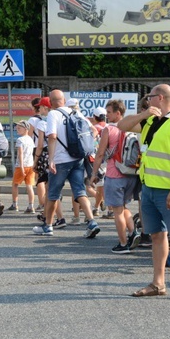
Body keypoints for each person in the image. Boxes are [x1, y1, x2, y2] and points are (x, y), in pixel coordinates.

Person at [117, 84, 170, 302]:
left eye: (149, 97)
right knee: (156, 236)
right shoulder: (151, 120)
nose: (147, 100)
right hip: (150, 188)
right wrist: (144, 113)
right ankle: (158, 283)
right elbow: (121, 125)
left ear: (160, 98)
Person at [32, 90, 99, 238]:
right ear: (63, 100)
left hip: (61, 161)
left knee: (53, 194)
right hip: (78, 158)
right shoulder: (76, 113)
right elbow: (93, 130)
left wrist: (51, 159)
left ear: (51, 102)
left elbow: (52, 136)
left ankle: (48, 226)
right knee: (80, 191)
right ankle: (92, 222)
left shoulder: (53, 114)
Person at [91, 99, 140, 254]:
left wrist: (94, 173)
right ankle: (133, 232)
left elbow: (100, 154)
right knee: (124, 206)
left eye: (110, 112)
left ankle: (123, 243)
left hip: (115, 173)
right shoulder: (134, 127)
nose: (107, 116)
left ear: (118, 113)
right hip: (131, 173)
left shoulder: (109, 129)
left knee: (117, 210)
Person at [9, 120, 36, 213]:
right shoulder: (30, 139)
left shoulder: (20, 140)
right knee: (29, 186)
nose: (17, 129)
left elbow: (20, 154)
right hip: (30, 165)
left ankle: (15, 204)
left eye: (19, 128)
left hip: (21, 165)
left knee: (15, 184)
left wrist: (20, 166)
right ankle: (31, 206)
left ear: (26, 129)